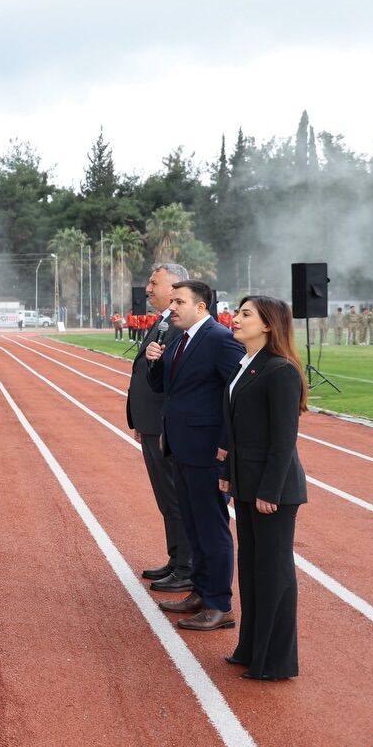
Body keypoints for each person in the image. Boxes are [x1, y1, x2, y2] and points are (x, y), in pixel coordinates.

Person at [146, 279, 247, 632]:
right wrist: (154, 362)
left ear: (201, 306)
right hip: (183, 448)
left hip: (207, 451)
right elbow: (165, 390)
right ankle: (200, 592)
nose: (171, 307)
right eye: (171, 301)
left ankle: (220, 604)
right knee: (193, 525)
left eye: (179, 301)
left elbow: (239, 394)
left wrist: (225, 443)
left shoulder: (220, 340)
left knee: (212, 527)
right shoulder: (179, 340)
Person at [221, 296, 308, 681]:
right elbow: (236, 430)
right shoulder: (246, 366)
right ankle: (251, 649)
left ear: (269, 325)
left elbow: (283, 439)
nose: (236, 319)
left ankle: (275, 661)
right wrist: (228, 471)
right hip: (246, 481)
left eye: (245, 314)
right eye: (238, 313)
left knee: (274, 573)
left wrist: (270, 490)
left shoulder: (281, 371)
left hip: (273, 489)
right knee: (252, 569)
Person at [126, 262, 192, 593]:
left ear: (176, 286)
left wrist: (163, 424)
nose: (148, 289)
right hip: (151, 424)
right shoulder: (165, 322)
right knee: (166, 496)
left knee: (176, 496)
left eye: (154, 283)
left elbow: (176, 384)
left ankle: (186, 567)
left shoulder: (179, 326)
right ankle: (176, 558)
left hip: (165, 427)